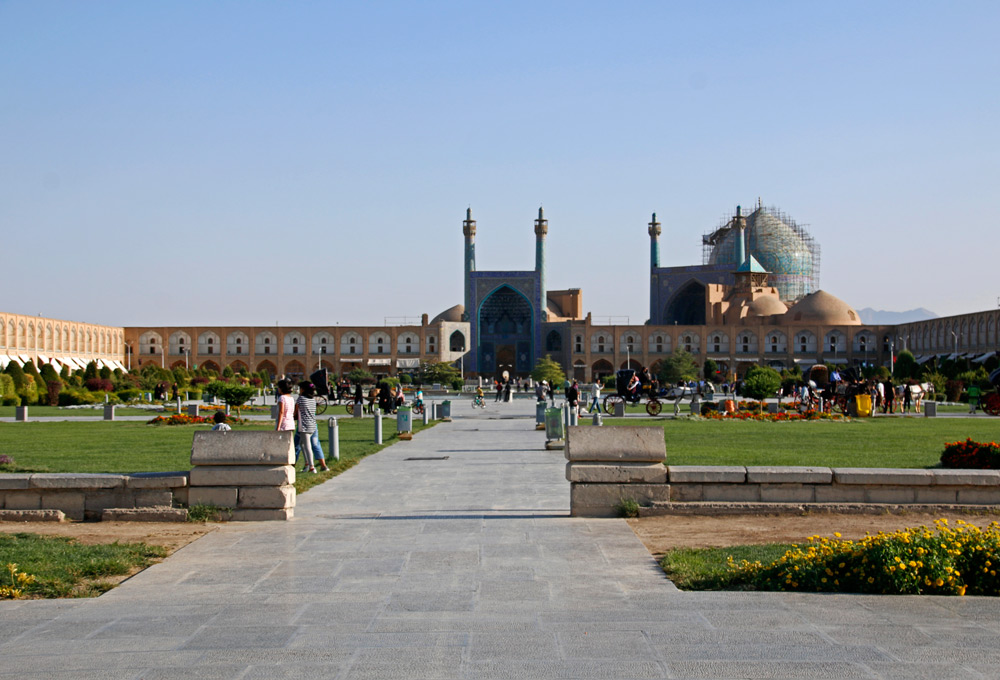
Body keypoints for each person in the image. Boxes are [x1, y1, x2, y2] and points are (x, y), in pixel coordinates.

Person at [294, 380, 318, 473]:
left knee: (307, 446)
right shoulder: (312, 399)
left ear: (303, 389)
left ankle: (312, 466)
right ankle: (307, 463)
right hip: (312, 424)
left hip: (304, 425)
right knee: (302, 444)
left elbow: (296, 411)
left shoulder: (301, 399)